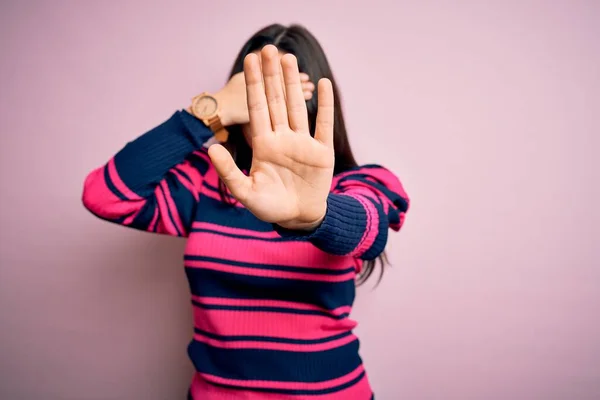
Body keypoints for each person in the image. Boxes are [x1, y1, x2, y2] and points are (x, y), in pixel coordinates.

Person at [82, 23, 409, 400]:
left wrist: (312, 215)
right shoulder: (205, 182)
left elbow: (368, 231)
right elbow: (104, 195)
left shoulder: (362, 182)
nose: (271, 117)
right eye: (258, 98)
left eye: (285, 100)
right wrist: (208, 110)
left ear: (313, 104)